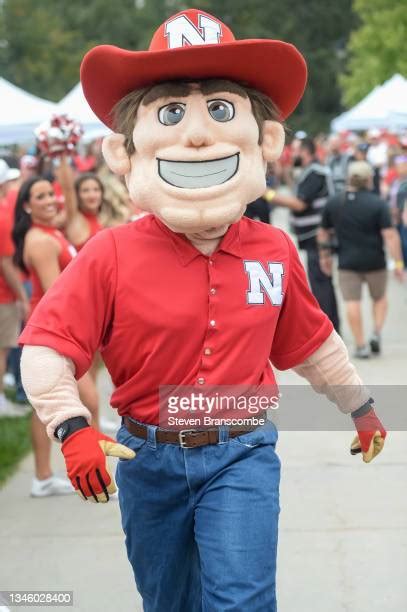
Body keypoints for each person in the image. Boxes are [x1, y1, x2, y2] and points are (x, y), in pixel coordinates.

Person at [19, 9, 387, 610]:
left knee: (241, 601)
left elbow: (312, 344)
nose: (196, 137)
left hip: (243, 450)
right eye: (171, 113)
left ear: (264, 139)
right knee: (168, 602)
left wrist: (362, 407)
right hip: (148, 455)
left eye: (220, 109)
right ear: (126, 148)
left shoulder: (272, 248)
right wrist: (70, 425)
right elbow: (47, 347)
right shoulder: (109, 253)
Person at [12, 177, 99, 496]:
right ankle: (66, 474)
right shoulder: (40, 240)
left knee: (74, 402)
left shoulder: (53, 230)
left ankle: (46, 476)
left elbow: (73, 207)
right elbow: (56, 294)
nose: (50, 200)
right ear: (26, 206)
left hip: (59, 327)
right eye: (40, 196)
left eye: (52, 194)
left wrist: (62, 156)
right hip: (52, 329)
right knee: (78, 401)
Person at [318, 161, 404, 358]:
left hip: (347, 261)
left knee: (352, 301)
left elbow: (323, 232)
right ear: (368, 180)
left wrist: (325, 257)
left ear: (349, 178)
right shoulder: (378, 203)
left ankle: (360, 344)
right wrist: (398, 264)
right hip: (375, 261)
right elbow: (390, 236)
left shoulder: (334, 202)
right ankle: (376, 332)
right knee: (380, 298)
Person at [268, 137, 340, 331]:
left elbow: (299, 204)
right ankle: (332, 324)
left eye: (296, 151)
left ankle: (328, 327)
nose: (293, 154)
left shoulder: (314, 173)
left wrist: (267, 194)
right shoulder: (310, 172)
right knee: (321, 280)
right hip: (313, 235)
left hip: (317, 235)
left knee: (320, 282)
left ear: (306, 153)